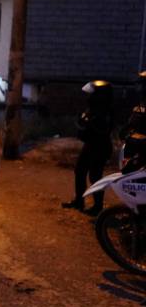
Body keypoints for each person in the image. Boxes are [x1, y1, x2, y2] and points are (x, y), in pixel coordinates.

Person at [62, 80, 114, 215]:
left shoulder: (105, 111)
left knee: (95, 176)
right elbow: (85, 124)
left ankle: (98, 206)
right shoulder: (93, 108)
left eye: (92, 94)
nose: (89, 97)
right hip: (90, 145)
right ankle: (79, 201)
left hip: (99, 147)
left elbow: (102, 130)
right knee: (80, 171)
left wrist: (88, 123)